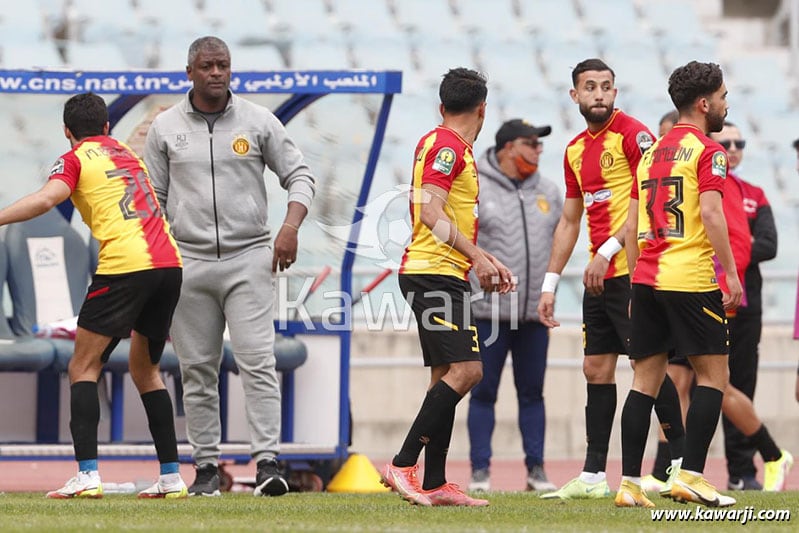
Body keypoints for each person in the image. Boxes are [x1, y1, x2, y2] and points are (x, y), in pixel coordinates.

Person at [144, 36, 316, 497]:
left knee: (257, 362)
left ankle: (268, 465)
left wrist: (290, 227)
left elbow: (300, 176)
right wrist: (159, 265)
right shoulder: (164, 128)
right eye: (207, 66)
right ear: (190, 72)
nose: (216, 73)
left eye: (223, 65)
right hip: (190, 264)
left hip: (248, 259)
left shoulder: (259, 121)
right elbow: (153, 203)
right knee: (196, 369)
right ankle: (205, 467)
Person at [0, 92, 187, 499]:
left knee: (82, 366)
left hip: (125, 265)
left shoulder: (74, 158)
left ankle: (87, 476)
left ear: (67, 132)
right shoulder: (124, 152)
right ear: (106, 128)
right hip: (168, 265)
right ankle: (171, 478)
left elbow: (49, 198)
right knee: (146, 370)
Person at [538, 58, 685, 500]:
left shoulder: (635, 136)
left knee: (648, 367)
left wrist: (606, 252)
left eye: (606, 86)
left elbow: (649, 203)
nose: (599, 93)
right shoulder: (575, 150)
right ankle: (592, 475)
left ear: (615, 92)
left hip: (632, 271)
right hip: (598, 277)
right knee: (596, 368)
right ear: (575, 96)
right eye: (590, 87)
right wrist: (548, 284)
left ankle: (680, 466)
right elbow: (569, 220)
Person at [380, 67, 515, 507]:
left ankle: (435, 482)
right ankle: (403, 464)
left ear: (442, 106)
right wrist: (476, 256)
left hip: (440, 270)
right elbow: (431, 213)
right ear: (482, 110)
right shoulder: (446, 146)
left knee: (445, 375)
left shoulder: (441, 143)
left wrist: (484, 257)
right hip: (433, 271)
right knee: (469, 371)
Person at [615, 60, 742, 509]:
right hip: (688, 277)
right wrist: (729, 273)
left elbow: (631, 229)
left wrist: (635, 285)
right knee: (714, 376)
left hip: (647, 278)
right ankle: (690, 474)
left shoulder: (650, 153)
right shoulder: (709, 152)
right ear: (705, 103)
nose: (727, 105)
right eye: (724, 97)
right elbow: (710, 214)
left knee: (644, 381)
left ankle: (629, 484)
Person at [466, 119, 562, 492]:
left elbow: (561, 242)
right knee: (483, 391)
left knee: (532, 393)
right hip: (487, 314)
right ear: (508, 147)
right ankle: (479, 472)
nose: (538, 150)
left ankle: (536, 470)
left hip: (533, 314)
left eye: (539, 144)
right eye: (531, 143)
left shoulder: (550, 192)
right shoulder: (476, 187)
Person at [711, 122, 782, 491]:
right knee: (699, 385)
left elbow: (769, 245)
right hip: (707, 300)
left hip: (746, 305)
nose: (734, 148)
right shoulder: (706, 189)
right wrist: (739, 245)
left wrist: (732, 251)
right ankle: (674, 468)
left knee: (740, 385)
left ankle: (743, 472)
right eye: (726, 142)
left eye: (740, 142)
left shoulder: (754, 193)